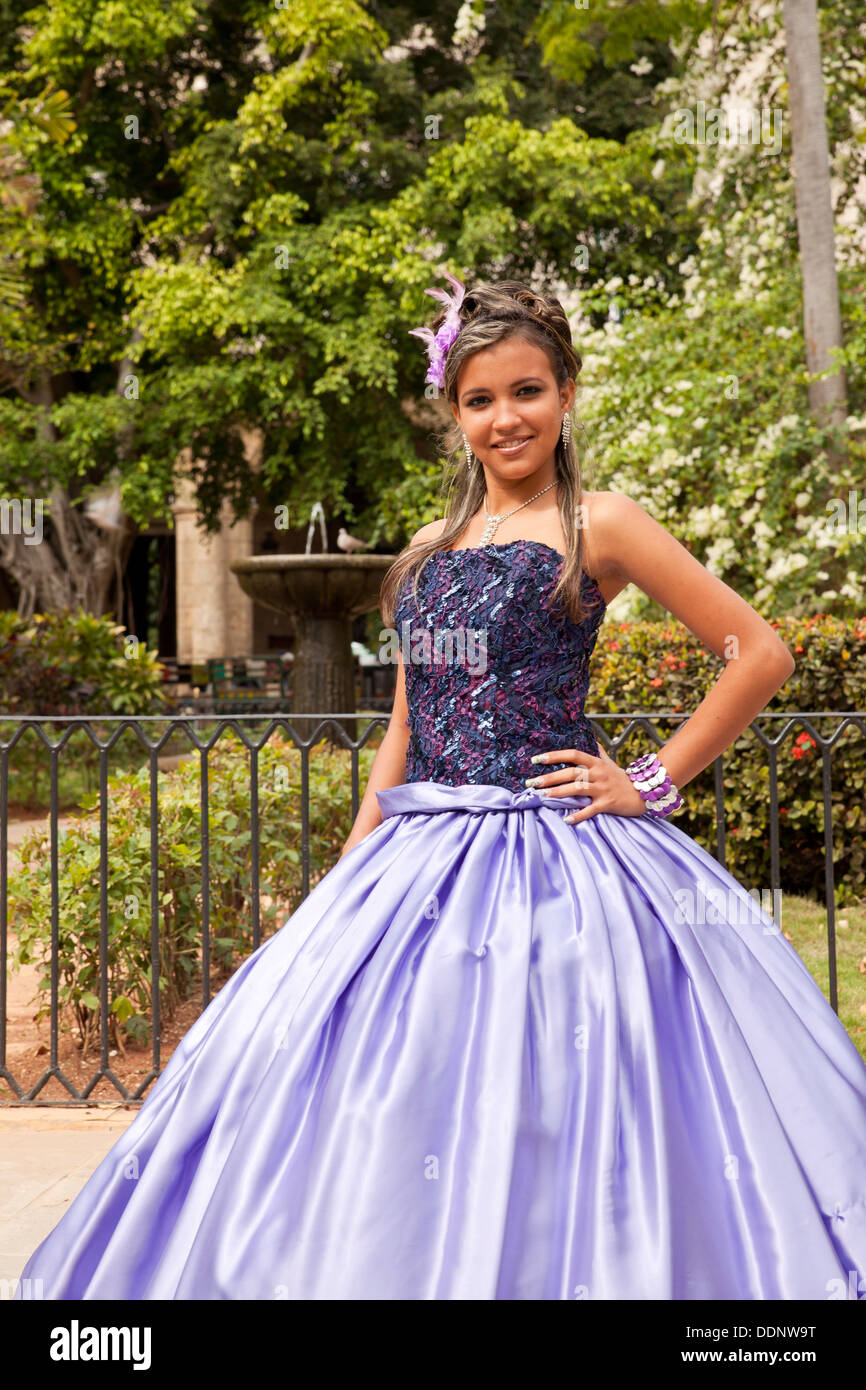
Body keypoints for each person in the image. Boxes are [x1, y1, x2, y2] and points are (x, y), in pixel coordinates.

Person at [15, 276, 866, 1301]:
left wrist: (645, 779)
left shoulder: (602, 522)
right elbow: (406, 730)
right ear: (452, 413)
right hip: (415, 858)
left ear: (563, 395)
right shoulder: (425, 553)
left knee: (559, 1093)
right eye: (479, 399)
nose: (504, 417)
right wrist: (346, 872)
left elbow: (756, 651)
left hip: (561, 857)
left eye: (526, 391)